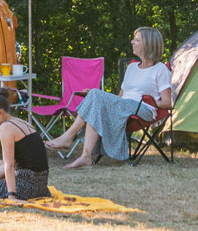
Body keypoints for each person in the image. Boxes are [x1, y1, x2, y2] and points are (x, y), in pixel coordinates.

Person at [46, 26, 171, 168]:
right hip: (124, 107)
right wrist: (97, 97)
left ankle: (68, 137)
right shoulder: (131, 68)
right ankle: (86, 156)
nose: (131, 42)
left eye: (136, 40)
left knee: (95, 95)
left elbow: (167, 103)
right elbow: (119, 98)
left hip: (143, 109)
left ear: (148, 44)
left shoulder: (160, 69)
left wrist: (152, 101)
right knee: (95, 102)